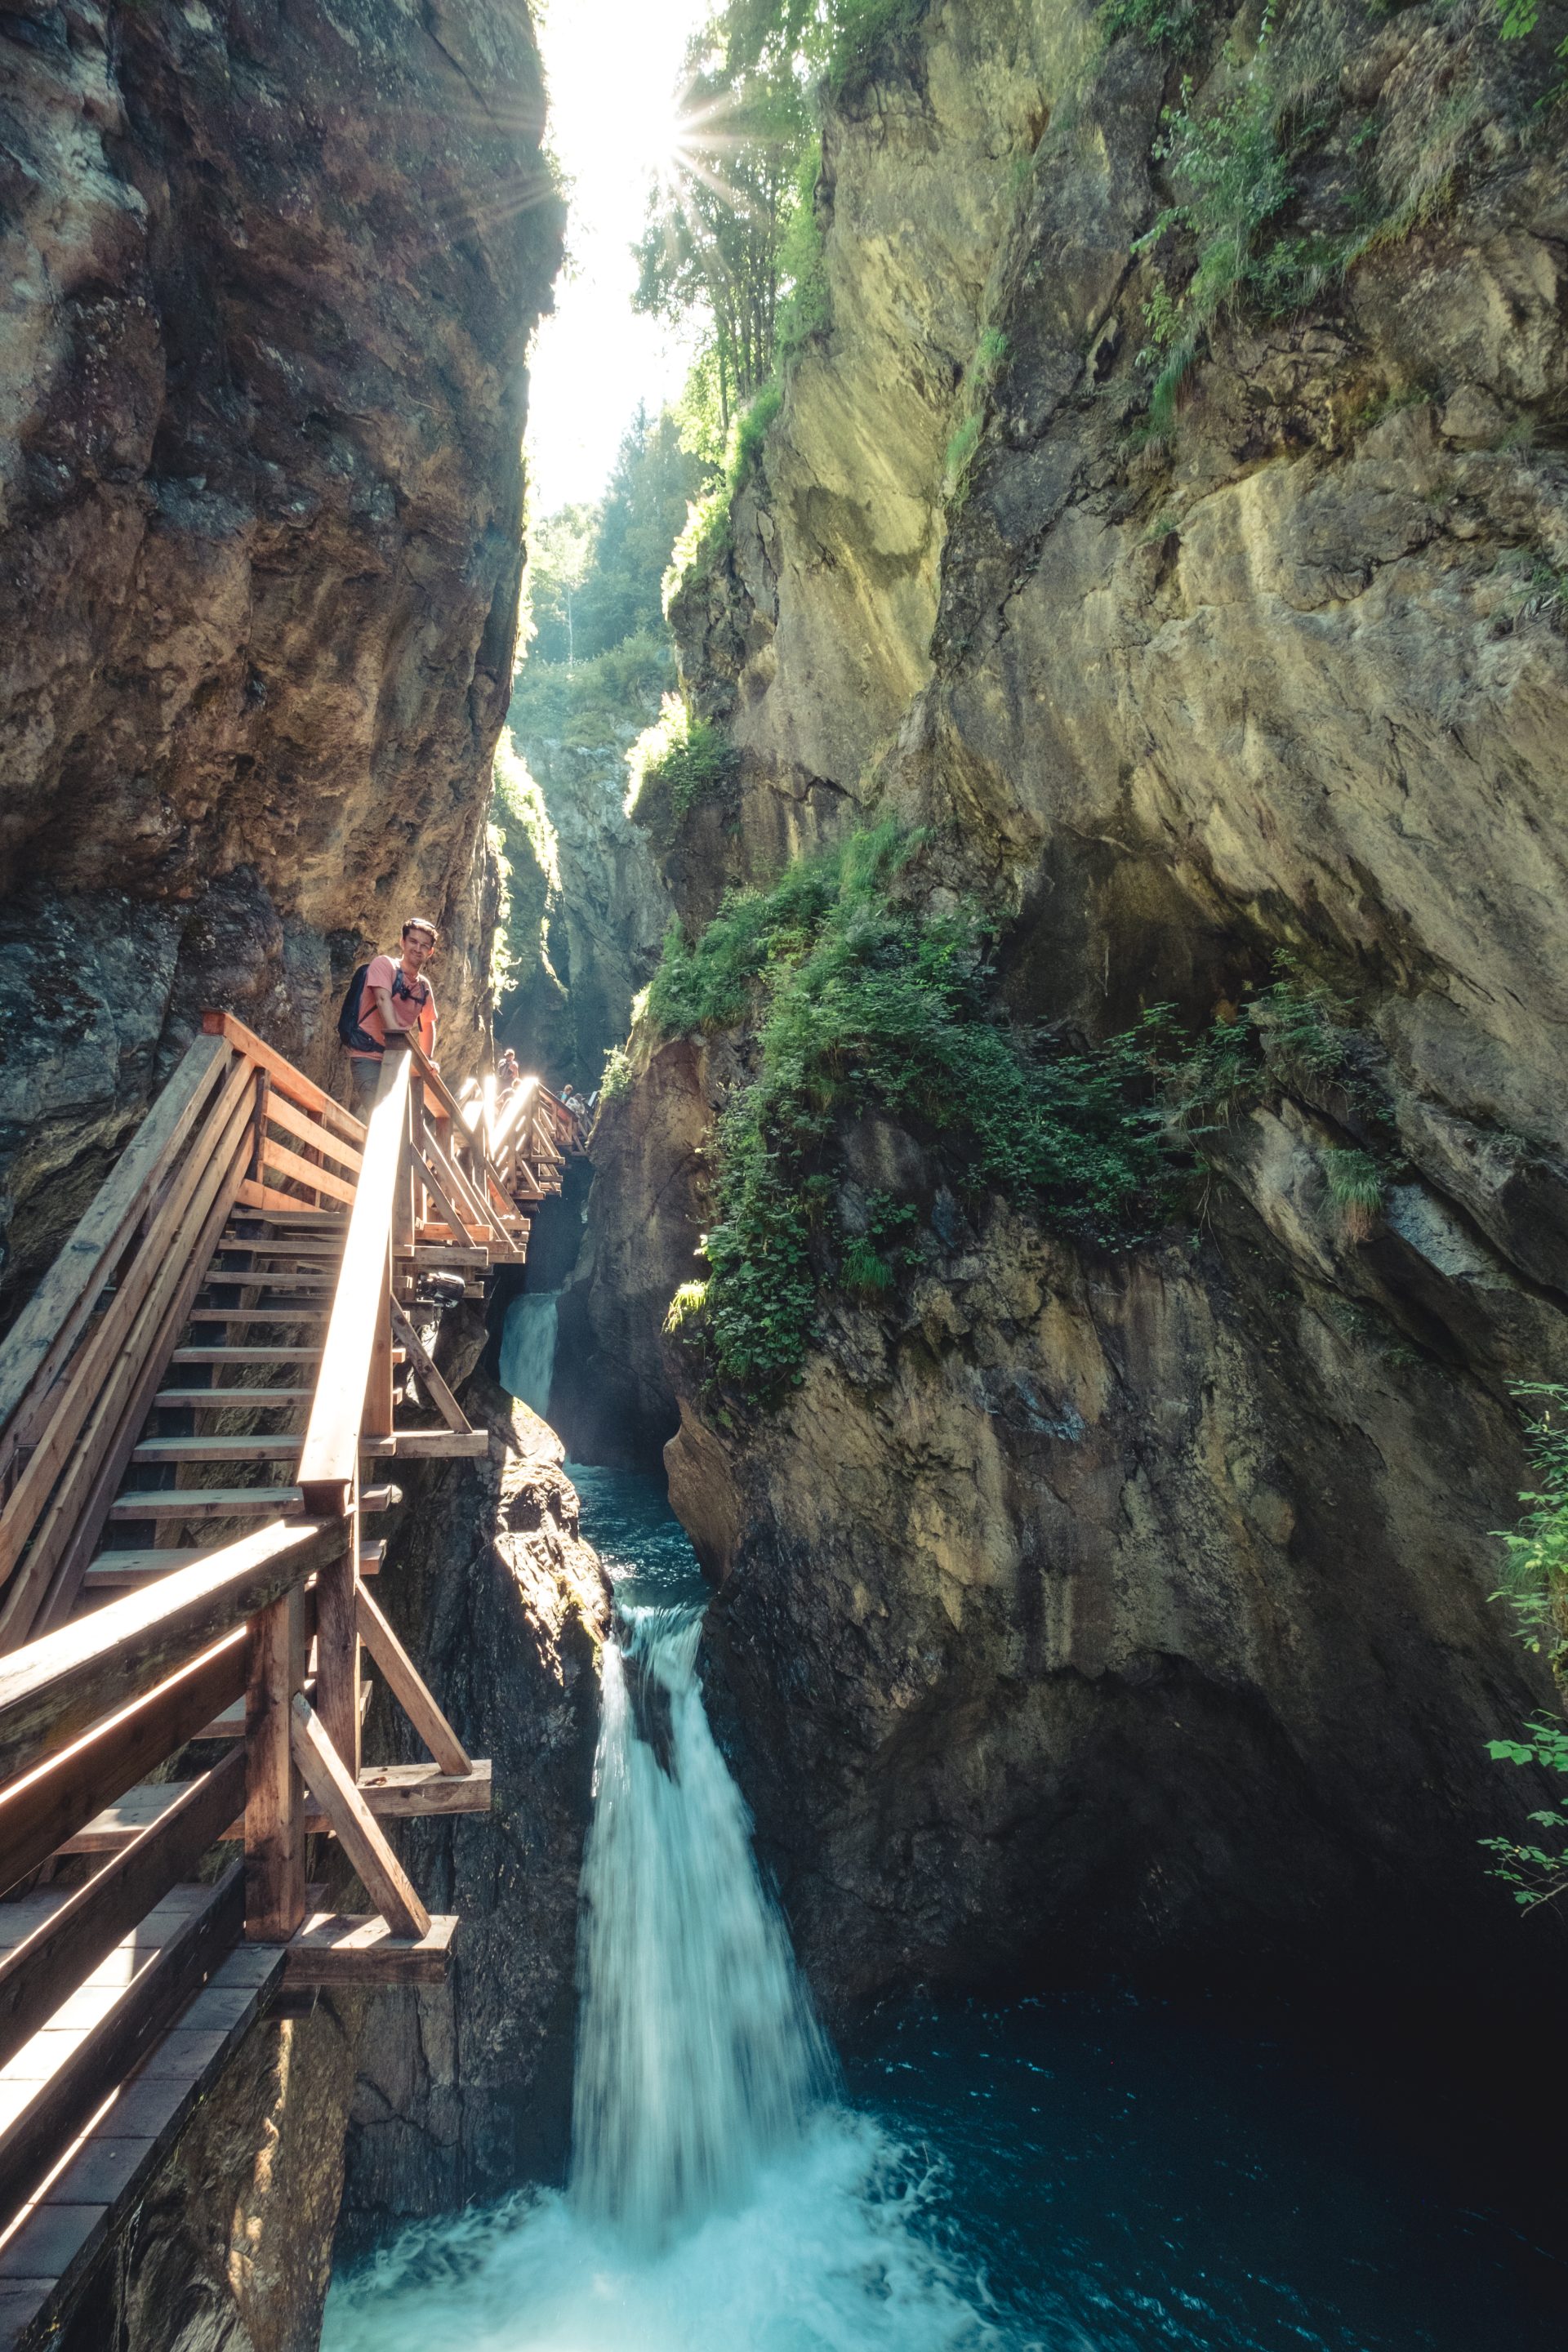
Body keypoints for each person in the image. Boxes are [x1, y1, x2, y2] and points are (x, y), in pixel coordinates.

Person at [345, 918, 439, 1112]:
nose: (418, 948)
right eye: (413, 942)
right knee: (380, 1114)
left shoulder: (423, 987)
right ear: (402, 942)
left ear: (430, 952)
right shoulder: (384, 965)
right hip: (368, 1056)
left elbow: (428, 1024)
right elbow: (382, 1000)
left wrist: (427, 1059)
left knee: (402, 1126)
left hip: (397, 1060)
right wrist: (397, 1040)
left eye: (424, 945)